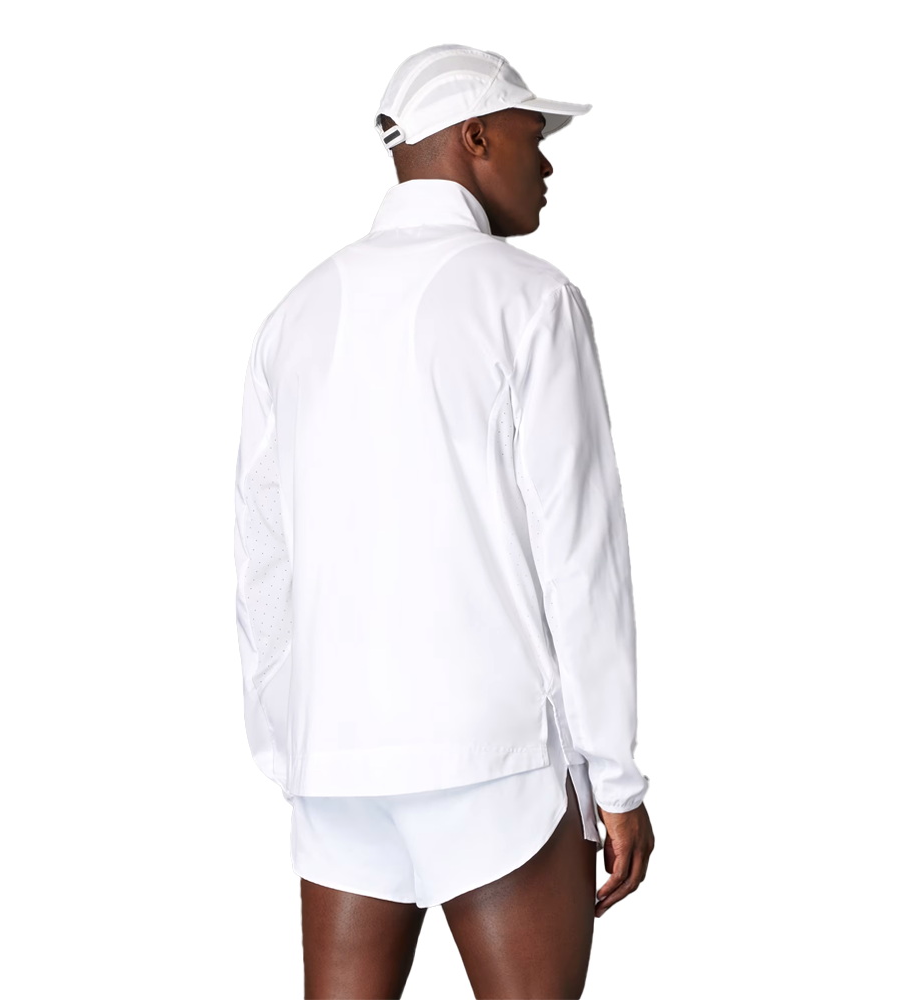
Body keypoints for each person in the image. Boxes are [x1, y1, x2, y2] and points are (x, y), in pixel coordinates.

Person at [234, 44, 655, 998]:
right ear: (474, 137)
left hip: (338, 761)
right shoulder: (531, 299)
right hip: (495, 758)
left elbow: (263, 558)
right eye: (532, 133)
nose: (546, 162)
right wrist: (616, 779)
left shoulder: (295, 314)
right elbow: (580, 556)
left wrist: (291, 743)